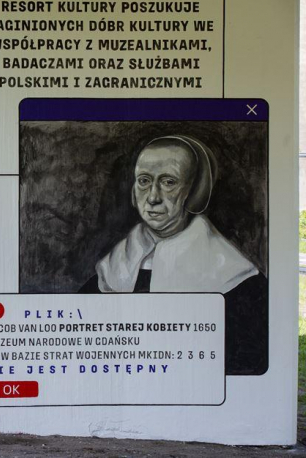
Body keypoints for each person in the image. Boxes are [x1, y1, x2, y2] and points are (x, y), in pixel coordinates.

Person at [79, 135, 267, 375]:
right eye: (144, 181)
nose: (153, 197)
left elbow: (245, 366)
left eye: (168, 182)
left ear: (194, 190)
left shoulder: (237, 279)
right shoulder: (115, 265)